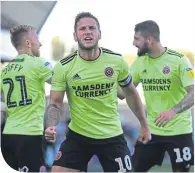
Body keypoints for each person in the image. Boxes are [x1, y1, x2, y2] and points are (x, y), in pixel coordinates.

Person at [44, 12, 151, 172]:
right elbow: (55, 102)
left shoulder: (116, 61)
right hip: (78, 136)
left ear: (99, 34)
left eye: (92, 28)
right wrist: (51, 125)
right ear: (75, 35)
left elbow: (130, 93)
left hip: (112, 136)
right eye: (82, 29)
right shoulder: (63, 66)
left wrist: (144, 125)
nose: (87, 31)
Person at [130, 20, 194, 172]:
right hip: (151, 131)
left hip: (180, 131)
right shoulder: (140, 62)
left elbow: (193, 92)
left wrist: (173, 111)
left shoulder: (179, 60)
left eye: (136, 39)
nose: (133, 43)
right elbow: (124, 91)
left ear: (149, 40)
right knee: (132, 169)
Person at [1, 25, 52, 172]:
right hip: (29, 135)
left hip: (7, 136)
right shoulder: (38, 63)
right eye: (37, 39)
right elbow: (62, 82)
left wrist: (4, 107)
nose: (40, 43)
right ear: (28, 43)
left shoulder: (6, 69)